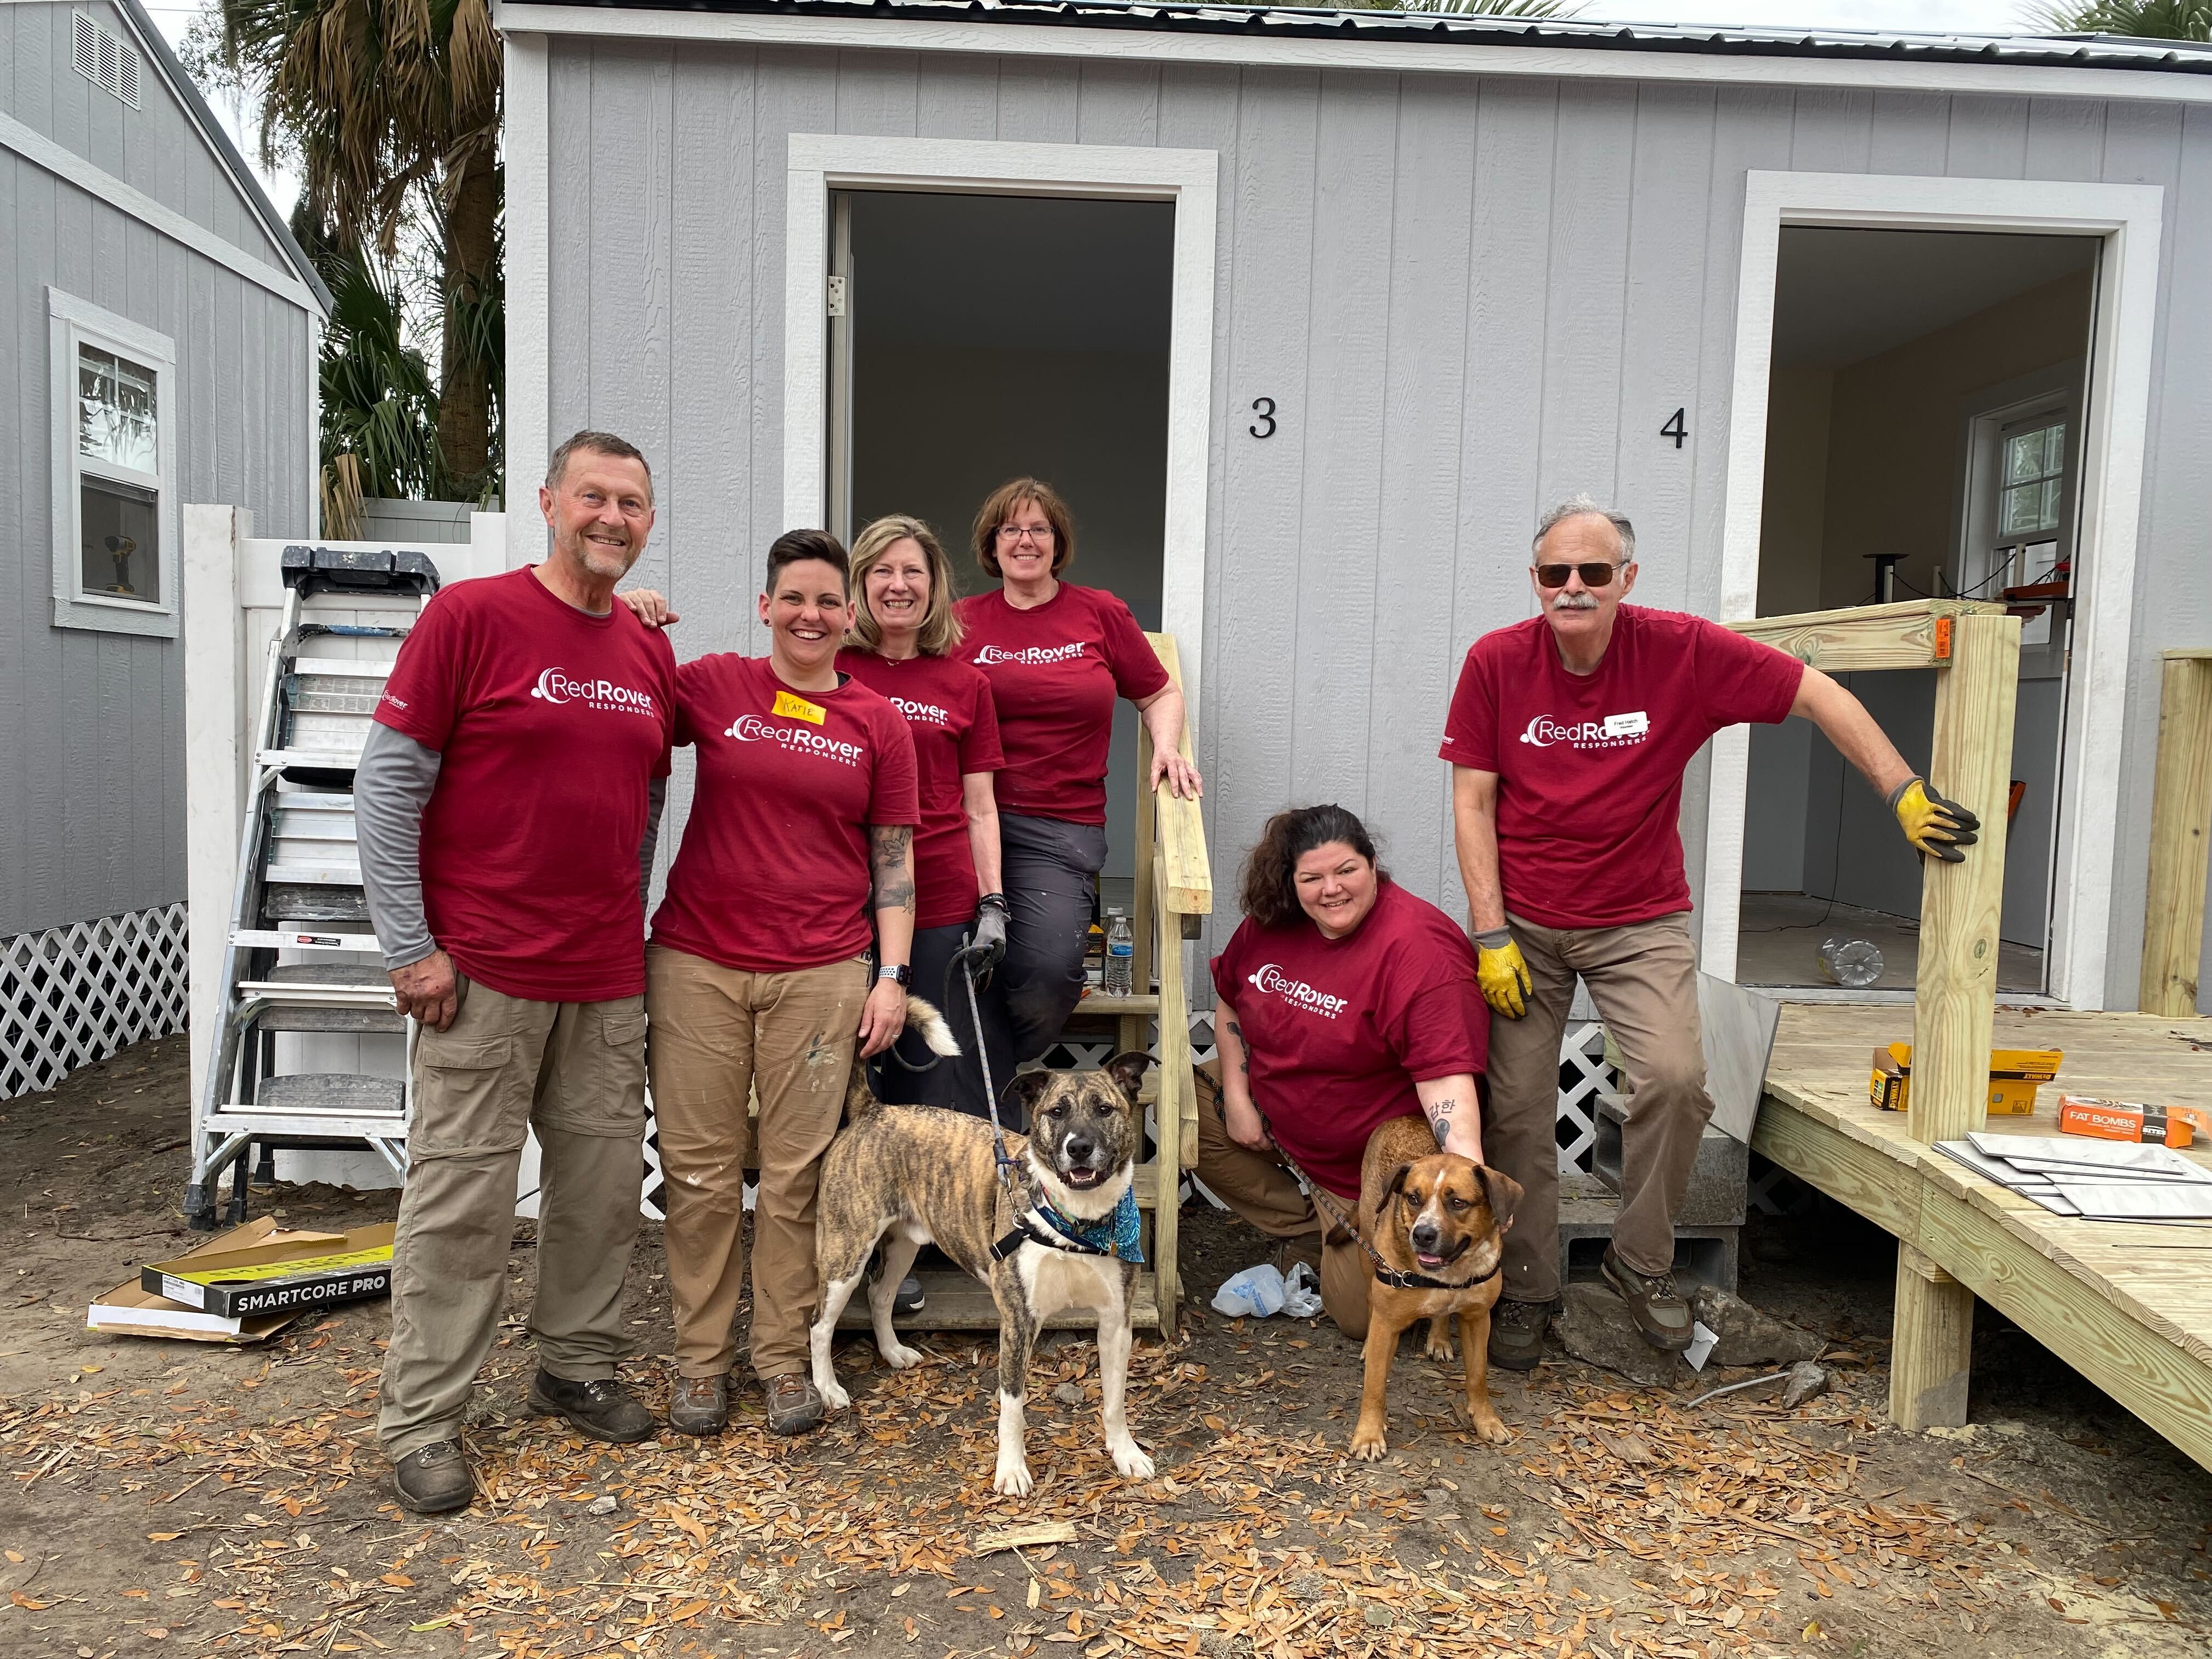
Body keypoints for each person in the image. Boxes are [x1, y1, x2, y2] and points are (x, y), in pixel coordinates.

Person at [1445, 494, 1981, 1368]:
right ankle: (1531, 1288)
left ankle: (1639, 1262)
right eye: (1555, 574)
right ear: (1534, 581)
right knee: (1515, 1109)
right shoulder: (1497, 662)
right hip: (1527, 925)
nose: (1572, 588)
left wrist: (1902, 790)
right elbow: (1473, 801)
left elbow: (1817, 694)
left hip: (1637, 919)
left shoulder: (1682, 651)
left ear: (1627, 578)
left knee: (1677, 1079)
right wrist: (1491, 932)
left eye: (1592, 572)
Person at [356, 431, 678, 1516]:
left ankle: (575, 1364)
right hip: (480, 971)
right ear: (548, 500)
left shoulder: (645, 651)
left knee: (598, 1193)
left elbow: (645, 799)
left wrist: (629, 922)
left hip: (603, 975)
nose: (613, 518)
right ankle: (424, 1421)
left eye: (632, 504)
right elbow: (388, 786)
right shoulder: (471, 618)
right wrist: (409, 945)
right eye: (594, 496)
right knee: (462, 1199)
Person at [645, 529, 920, 1440]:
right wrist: (632, 616)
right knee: (698, 1170)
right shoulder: (715, 682)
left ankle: (782, 1359)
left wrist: (890, 976)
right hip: (698, 962)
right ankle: (699, 1361)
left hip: (821, 970)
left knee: (798, 1174)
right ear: (765, 606)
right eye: (792, 597)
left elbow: (893, 864)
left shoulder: (877, 721)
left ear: (850, 614)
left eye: (826, 600)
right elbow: (626, 688)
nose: (810, 614)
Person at [1194, 805, 1490, 1338]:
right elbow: (1230, 1000)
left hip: (1368, 1170)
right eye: (1312, 878)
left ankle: (1346, 1229)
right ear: (1291, 881)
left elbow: (1448, 1090)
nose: (1331, 890)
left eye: (1347, 871)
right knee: (1179, 1109)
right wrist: (1237, 1099)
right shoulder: (1272, 920)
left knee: (1361, 1318)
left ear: (1373, 864)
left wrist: (1470, 1192)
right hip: (1278, 1118)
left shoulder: (1418, 951)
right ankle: (1318, 1230)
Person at [952, 478, 1201, 1064]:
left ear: (1057, 542)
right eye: (1010, 529)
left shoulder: (1100, 613)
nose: (1025, 540)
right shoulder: (961, 621)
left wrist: (1167, 747)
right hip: (962, 818)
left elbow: (1158, 692)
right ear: (992, 544)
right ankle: (964, 1083)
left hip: (1060, 826)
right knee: (950, 953)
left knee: (1049, 970)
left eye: (1039, 528)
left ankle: (998, 1069)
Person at [836, 515, 1013, 1117]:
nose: (898, 584)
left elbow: (980, 807)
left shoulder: (967, 684)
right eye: (881, 570)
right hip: (839, 902)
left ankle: (931, 1215)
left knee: (932, 1089)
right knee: (841, 1084)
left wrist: (993, 904)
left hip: (939, 905)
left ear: (935, 586)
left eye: (913, 570)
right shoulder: (828, 669)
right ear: (858, 584)